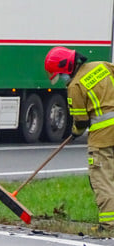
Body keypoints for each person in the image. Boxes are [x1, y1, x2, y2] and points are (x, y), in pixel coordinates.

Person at [44, 47, 114, 233]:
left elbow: (81, 121)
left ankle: (109, 226)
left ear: (66, 68)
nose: (60, 79)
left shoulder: (75, 86)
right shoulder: (101, 66)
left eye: (59, 74)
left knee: (102, 180)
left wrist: (75, 132)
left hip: (103, 139)